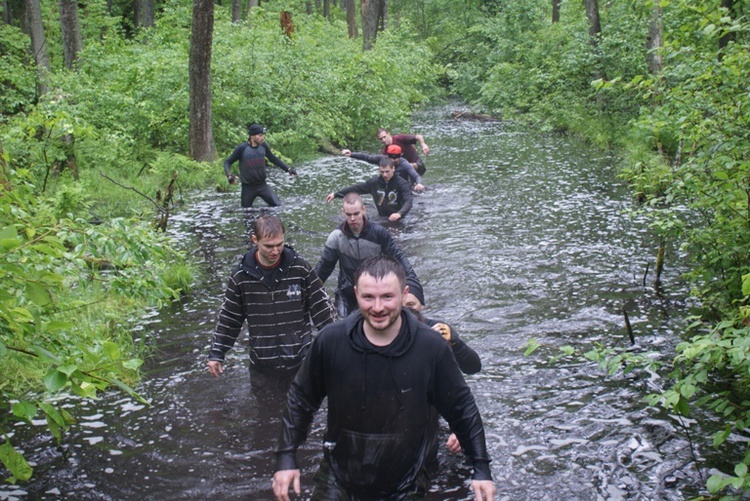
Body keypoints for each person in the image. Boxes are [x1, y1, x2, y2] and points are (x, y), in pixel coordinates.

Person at [272, 255, 495, 501]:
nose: (378, 307)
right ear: (356, 294)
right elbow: (301, 399)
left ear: (404, 293)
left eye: (387, 297)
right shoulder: (330, 341)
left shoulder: (431, 347)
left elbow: (461, 408)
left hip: (407, 478)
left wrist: (481, 468)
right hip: (340, 473)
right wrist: (286, 457)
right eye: (368, 297)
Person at [207, 215, 335, 378]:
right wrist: (217, 352)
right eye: (269, 246)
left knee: (303, 403)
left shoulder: (300, 268)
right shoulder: (241, 276)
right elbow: (230, 317)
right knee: (264, 404)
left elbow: (322, 308)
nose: (275, 251)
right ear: (255, 240)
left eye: (279, 245)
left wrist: (338, 345)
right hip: (262, 365)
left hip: (301, 362)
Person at [315, 193, 421, 318]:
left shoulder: (379, 233)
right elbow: (323, 269)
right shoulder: (336, 237)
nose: (353, 219)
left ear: (363, 210)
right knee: (341, 322)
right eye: (349, 215)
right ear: (343, 213)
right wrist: (307, 292)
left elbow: (399, 260)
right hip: (347, 291)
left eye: (356, 214)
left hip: (374, 290)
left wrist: (414, 290)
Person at [223, 123, 297, 208]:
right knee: (246, 214)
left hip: (262, 185)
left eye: (263, 135)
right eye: (260, 135)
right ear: (252, 136)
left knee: (278, 207)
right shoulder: (242, 149)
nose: (262, 138)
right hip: (248, 188)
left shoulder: (263, 146)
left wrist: (288, 169)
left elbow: (273, 159)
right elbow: (227, 162)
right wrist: (229, 174)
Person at [325, 156, 413, 222]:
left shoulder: (402, 184)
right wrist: (336, 194)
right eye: (382, 172)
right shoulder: (374, 183)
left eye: (387, 171)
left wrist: (399, 214)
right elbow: (356, 189)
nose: (385, 175)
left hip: (399, 219)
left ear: (393, 169)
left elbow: (408, 202)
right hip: (382, 217)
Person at [340, 145, 425, 192]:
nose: (392, 160)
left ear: (400, 155)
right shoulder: (382, 159)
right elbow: (367, 157)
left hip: (403, 188)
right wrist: (352, 154)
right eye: (390, 157)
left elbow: (416, 175)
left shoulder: (405, 164)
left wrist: (419, 184)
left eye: (395, 158)